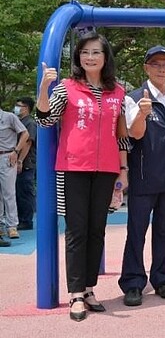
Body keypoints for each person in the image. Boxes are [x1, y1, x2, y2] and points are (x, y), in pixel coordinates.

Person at [36, 31, 129, 321]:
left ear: (105, 58)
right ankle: (75, 293)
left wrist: (123, 170)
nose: (90, 57)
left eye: (96, 52)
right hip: (73, 167)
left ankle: (89, 288)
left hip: (107, 169)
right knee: (76, 231)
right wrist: (44, 88)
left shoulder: (118, 92)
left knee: (96, 231)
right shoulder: (66, 88)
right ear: (78, 57)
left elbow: (121, 135)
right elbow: (45, 119)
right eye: (85, 52)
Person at [119, 45, 165, 307]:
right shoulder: (134, 97)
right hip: (144, 177)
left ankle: (161, 278)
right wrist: (144, 114)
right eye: (155, 63)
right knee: (136, 232)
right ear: (146, 67)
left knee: (164, 232)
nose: (161, 68)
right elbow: (133, 134)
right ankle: (133, 282)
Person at [0, 102, 29, 241]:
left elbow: (25, 134)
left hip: (7, 156)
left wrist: (16, 151)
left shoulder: (9, 117)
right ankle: (1, 225)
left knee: (8, 192)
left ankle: (12, 226)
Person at [14, 97, 37, 231]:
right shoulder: (20, 121)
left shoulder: (30, 123)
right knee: (18, 191)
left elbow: (28, 143)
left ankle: (26, 220)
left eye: (19, 105)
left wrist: (20, 160)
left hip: (26, 162)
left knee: (25, 191)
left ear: (26, 108)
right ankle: (21, 219)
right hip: (20, 162)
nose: (16, 107)